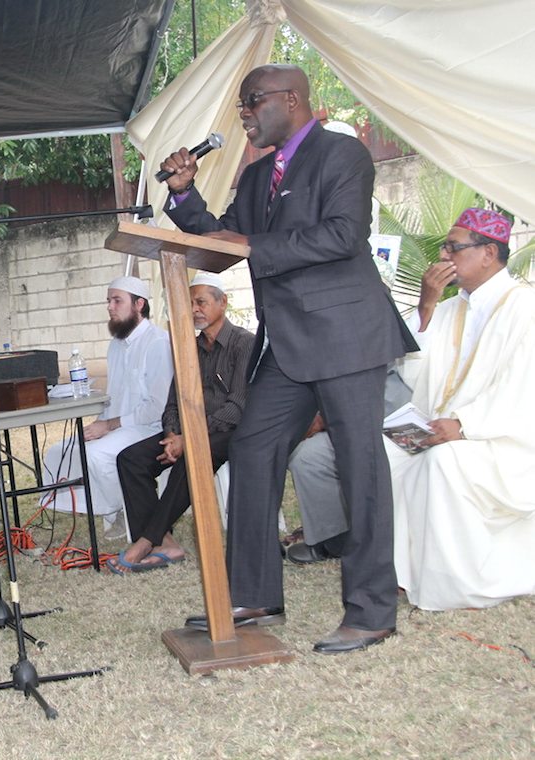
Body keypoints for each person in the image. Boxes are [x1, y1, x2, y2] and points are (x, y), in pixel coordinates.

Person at [160, 64, 416, 654]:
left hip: (347, 335)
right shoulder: (254, 179)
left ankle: (372, 609)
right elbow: (221, 242)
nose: (244, 113)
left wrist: (255, 245)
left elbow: (342, 236)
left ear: (292, 100)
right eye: (242, 104)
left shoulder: (341, 156)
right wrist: (183, 194)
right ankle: (253, 594)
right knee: (251, 447)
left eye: (252, 102)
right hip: (290, 345)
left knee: (360, 465)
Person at [387, 208, 535, 610]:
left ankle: (456, 582)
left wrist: (465, 425)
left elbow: (524, 387)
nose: (444, 256)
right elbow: (416, 374)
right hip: (445, 430)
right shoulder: (451, 309)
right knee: (384, 454)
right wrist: (427, 305)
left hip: (505, 442)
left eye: (454, 247)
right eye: (444, 247)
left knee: (445, 463)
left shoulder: (526, 307)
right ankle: (402, 572)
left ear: (489, 253)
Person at [110, 272, 254, 573]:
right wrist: (174, 433)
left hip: (233, 433)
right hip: (190, 432)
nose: (195, 309)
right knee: (131, 459)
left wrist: (189, 440)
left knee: (193, 456)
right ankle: (167, 544)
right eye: (190, 304)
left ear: (222, 302)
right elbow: (173, 401)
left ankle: (145, 541)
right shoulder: (190, 347)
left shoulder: (243, 343)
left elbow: (237, 407)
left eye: (201, 302)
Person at [40, 276, 173, 538]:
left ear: (139, 304)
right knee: (61, 452)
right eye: (108, 301)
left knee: (96, 455)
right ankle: (110, 509)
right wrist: (99, 423)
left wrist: (108, 426)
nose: (110, 307)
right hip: (118, 423)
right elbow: (116, 395)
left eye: (117, 301)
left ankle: (126, 509)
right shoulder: (116, 345)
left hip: (149, 428)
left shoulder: (158, 343)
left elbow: (158, 407)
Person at [285, 365, 412, 564]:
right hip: (362, 419)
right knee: (307, 456)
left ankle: (386, 548)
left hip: (404, 422)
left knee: (373, 458)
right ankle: (331, 539)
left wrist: (326, 420)